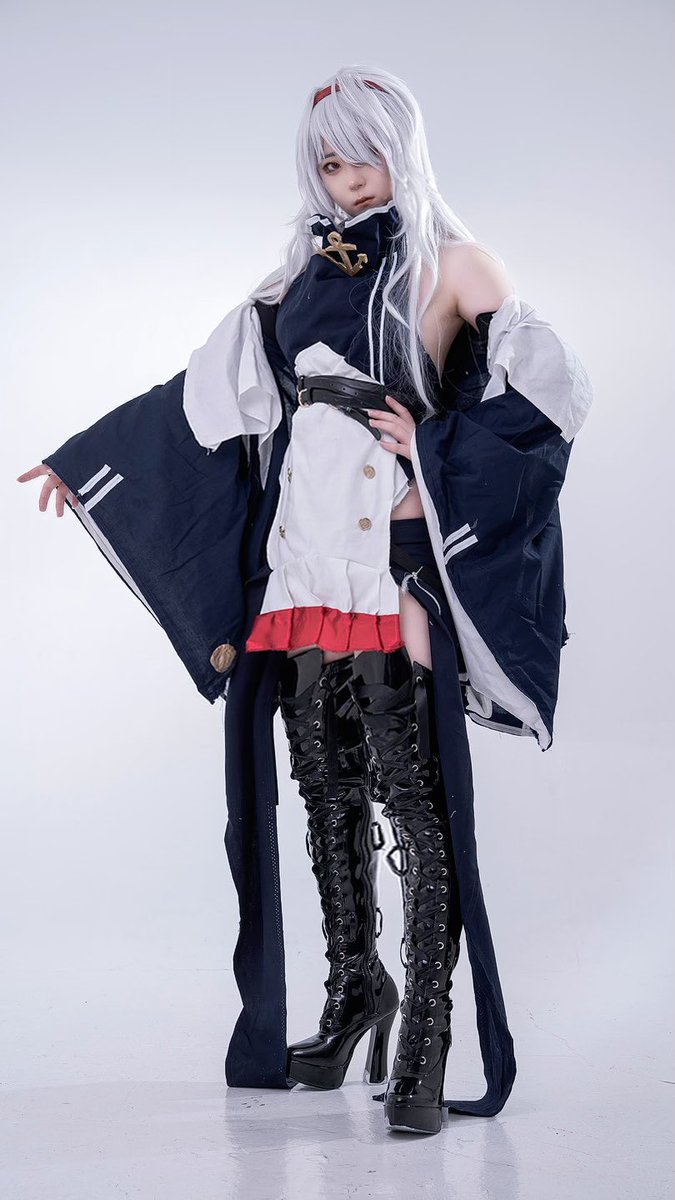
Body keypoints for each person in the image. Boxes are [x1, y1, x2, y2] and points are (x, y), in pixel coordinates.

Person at [17, 65, 593, 1136]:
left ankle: (425, 1038)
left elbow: (552, 389)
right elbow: (203, 394)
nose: (347, 178)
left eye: (364, 155)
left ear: (401, 151)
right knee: (325, 788)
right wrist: (84, 458)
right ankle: (353, 994)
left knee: (413, 800)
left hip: (390, 552)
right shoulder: (296, 276)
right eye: (329, 161)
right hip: (304, 554)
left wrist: (437, 448)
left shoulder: (457, 263)